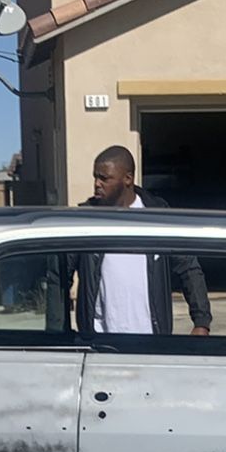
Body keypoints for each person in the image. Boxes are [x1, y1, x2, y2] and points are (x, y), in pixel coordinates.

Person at [66, 145, 212, 338]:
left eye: (104, 178)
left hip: (152, 341)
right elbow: (60, 277)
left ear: (128, 178)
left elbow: (188, 268)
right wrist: (57, 330)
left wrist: (201, 322)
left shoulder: (156, 217)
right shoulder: (86, 221)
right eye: (95, 177)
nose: (97, 184)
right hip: (99, 342)